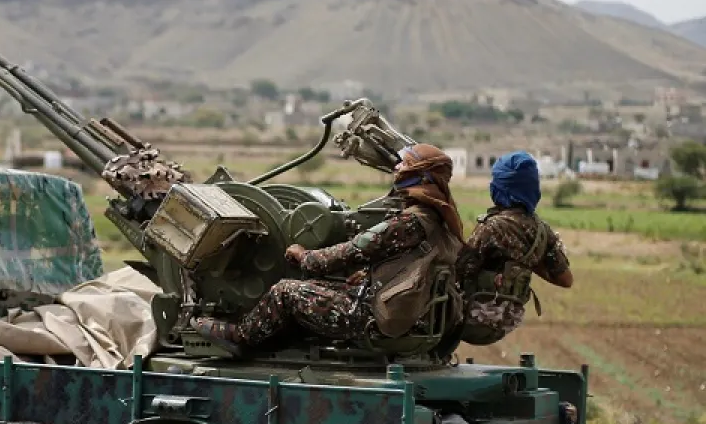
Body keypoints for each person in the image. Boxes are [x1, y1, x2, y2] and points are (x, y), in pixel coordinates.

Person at [192, 144, 466, 357]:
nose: (397, 168)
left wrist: (304, 256)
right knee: (316, 286)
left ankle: (240, 337)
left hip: (374, 320)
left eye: (405, 164)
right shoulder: (441, 224)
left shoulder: (409, 223)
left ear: (418, 175)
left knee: (286, 290)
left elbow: (349, 252)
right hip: (412, 319)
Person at [454, 151, 573, 345]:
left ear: (498, 188)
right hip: (506, 321)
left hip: (472, 319)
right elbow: (565, 279)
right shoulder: (542, 232)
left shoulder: (491, 228)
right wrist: (526, 260)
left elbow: (459, 270)